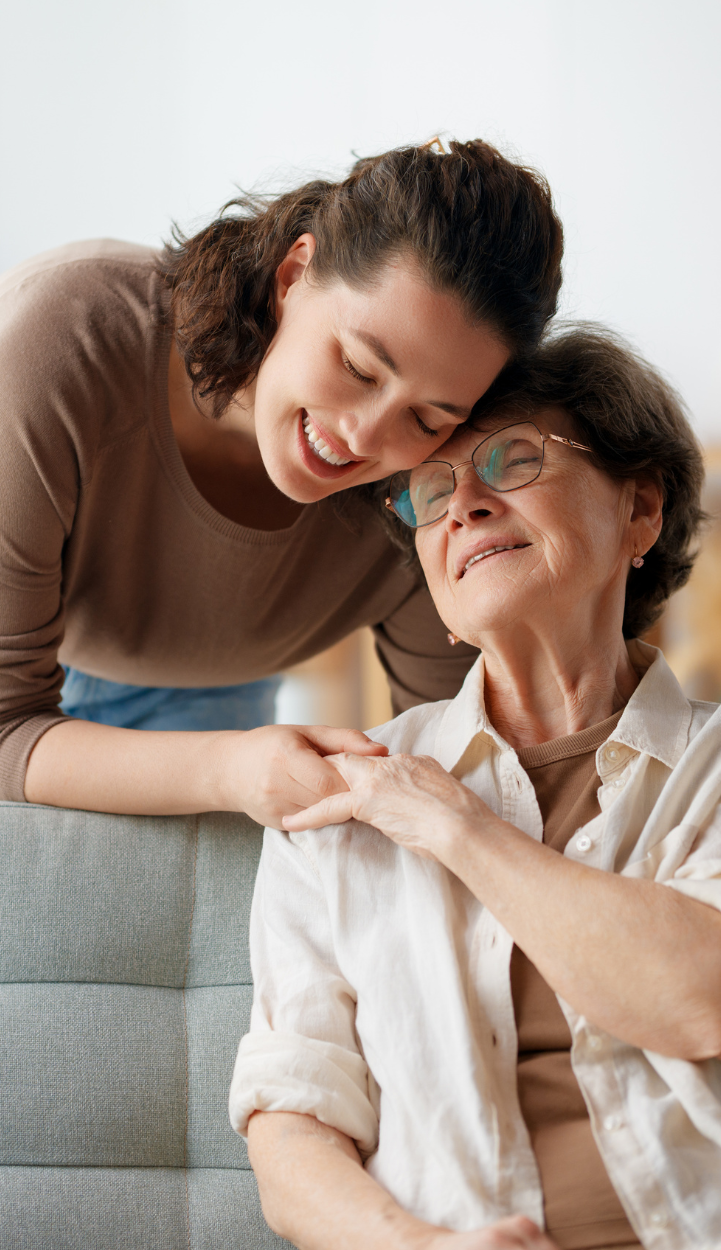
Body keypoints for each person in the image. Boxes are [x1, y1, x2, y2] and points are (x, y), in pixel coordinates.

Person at [0, 140, 563, 825]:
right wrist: (226, 768)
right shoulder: (62, 342)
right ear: (292, 275)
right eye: (359, 367)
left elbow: (453, 757)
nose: (367, 437)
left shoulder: (426, 484)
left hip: (199, 685)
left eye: (427, 417)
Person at [230, 326, 721, 1250]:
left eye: (512, 458)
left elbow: (699, 994)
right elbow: (293, 1124)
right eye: (430, 491)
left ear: (640, 510)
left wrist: (459, 828)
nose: (464, 506)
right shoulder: (340, 799)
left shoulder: (711, 773)